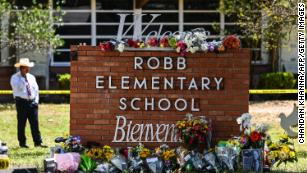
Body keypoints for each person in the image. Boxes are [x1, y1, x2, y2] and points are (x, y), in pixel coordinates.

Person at [10, 58, 47, 148]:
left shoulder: (31, 77)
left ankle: (38, 142)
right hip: (21, 102)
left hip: (32, 103)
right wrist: (23, 78)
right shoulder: (15, 78)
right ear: (21, 68)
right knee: (22, 123)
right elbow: (18, 88)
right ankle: (22, 143)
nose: (28, 69)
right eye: (26, 68)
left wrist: (36, 101)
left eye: (28, 67)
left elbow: (36, 90)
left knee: (35, 123)